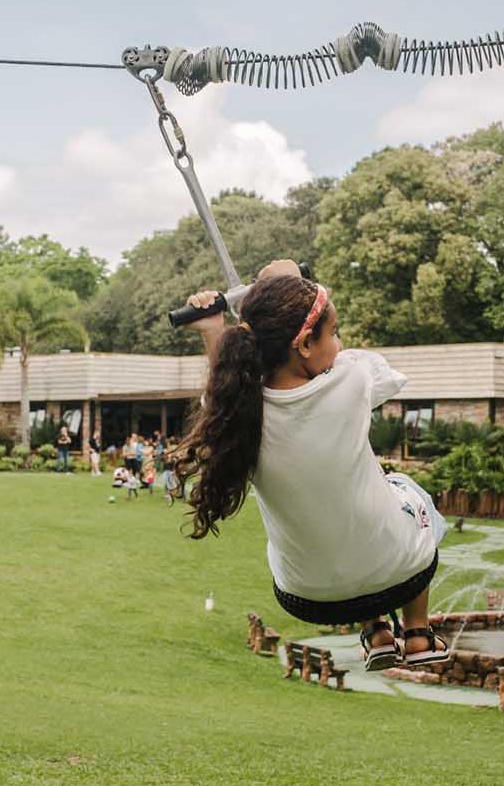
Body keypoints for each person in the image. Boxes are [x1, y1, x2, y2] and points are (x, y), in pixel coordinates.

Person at [172, 260, 450, 672]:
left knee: (347, 516)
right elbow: (387, 376)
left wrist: (214, 327)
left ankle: (376, 630)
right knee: (407, 490)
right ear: (303, 345)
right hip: (399, 571)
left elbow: (223, 385)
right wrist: (282, 278)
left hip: (305, 591)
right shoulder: (351, 379)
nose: (337, 344)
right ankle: (417, 633)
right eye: (332, 333)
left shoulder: (239, 414)